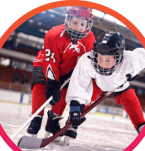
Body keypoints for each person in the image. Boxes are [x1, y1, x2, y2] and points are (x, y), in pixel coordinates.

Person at [27, 6, 102, 139]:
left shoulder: (90, 38)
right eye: (75, 22)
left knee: (64, 92)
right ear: (68, 20)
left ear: (88, 24)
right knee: (41, 85)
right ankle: (36, 118)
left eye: (83, 23)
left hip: (70, 68)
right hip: (45, 62)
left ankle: (53, 121)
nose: (79, 27)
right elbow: (50, 61)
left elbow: (86, 62)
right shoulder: (53, 34)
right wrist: (52, 81)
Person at [64, 31, 145, 142]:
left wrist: (136, 72)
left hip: (119, 83)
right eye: (100, 58)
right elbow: (79, 87)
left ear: (119, 57)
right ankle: (73, 121)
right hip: (98, 81)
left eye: (108, 60)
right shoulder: (87, 61)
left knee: (129, 98)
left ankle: (141, 125)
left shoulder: (131, 60)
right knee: (87, 98)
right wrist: (75, 110)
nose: (103, 63)